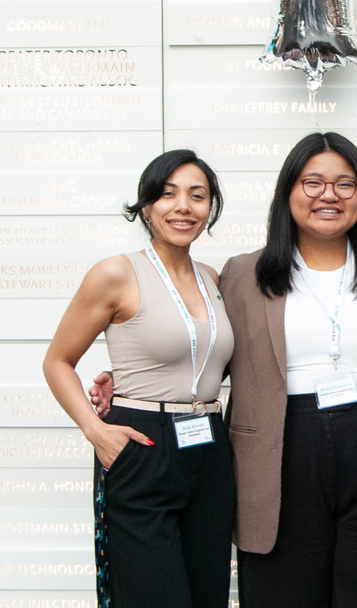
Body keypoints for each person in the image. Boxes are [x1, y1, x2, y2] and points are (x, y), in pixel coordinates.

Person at [214, 132, 357, 608]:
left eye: (344, 184)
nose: (328, 195)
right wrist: (131, 384)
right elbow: (207, 350)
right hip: (280, 449)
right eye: (312, 182)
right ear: (287, 191)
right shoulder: (243, 275)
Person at [44, 149, 237, 608]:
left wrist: (118, 372)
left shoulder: (213, 278)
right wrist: (97, 432)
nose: (183, 207)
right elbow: (57, 361)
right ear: (147, 206)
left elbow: (204, 358)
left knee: (207, 595)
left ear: (210, 208)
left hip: (209, 444)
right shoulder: (115, 273)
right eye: (168, 194)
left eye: (197, 195)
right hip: (143, 444)